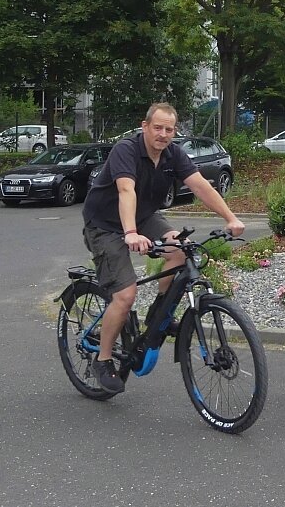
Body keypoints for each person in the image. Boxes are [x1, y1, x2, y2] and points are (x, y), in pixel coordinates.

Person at [81, 102, 246, 394]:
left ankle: (159, 312)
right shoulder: (126, 150)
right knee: (126, 294)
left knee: (181, 249)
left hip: (144, 216)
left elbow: (201, 186)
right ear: (145, 127)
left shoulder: (173, 154)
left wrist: (230, 217)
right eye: (157, 127)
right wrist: (130, 232)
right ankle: (104, 360)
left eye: (169, 129)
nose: (163, 134)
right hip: (105, 224)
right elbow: (125, 190)